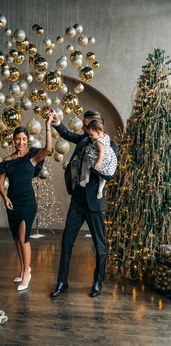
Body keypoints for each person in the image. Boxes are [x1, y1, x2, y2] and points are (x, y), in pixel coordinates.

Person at [49, 110, 117, 298]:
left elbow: (110, 174)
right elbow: (67, 134)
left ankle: (97, 283)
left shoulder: (111, 145)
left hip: (95, 203)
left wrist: (96, 163)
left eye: (87, 125)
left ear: (97, 125)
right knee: (66, 241)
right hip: (77, 200)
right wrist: (56, 122)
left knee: (100, 246)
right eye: (84, 126)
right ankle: (62, 282)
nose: (84, 129)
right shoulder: (85, 140)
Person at [0, 115, 53, 291]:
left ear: (28, 140)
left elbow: (48, 149)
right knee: (16, 240)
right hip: (12, 202)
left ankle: (27, 273)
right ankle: (22, 270)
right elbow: (0, 183)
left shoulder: (32, 157)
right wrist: (5, 198)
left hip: (28, 202)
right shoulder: (7, 161)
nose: (21, 142)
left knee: (23, 238)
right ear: (13, 140)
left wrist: (47, 125)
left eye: (24, 139)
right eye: (18, 139)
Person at [80, 120, 117, 199]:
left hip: (102, 158)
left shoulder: (98, 142)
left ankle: (86, 180)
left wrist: (98, 162)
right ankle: (100, 189)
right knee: (102, 177)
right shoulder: (105, 135)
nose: (90, 136)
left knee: (87, 163)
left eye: (91, 134)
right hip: (109, 158)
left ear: (99, 131)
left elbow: (101, 152)